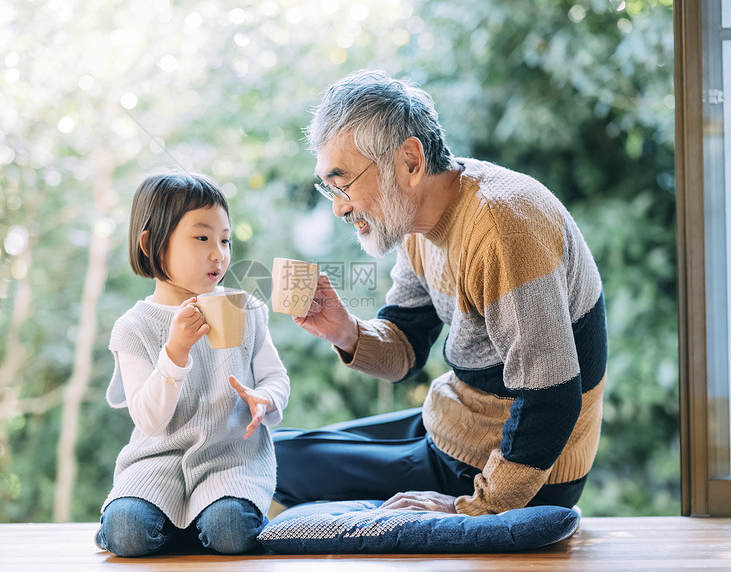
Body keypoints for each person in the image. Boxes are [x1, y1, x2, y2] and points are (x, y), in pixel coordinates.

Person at [272, 70, 606, 516]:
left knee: (272, 463)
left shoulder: (502, 226)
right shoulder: (416, 221)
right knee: (268, 451)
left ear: (409, 160)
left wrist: (469, 508)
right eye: (328, 187)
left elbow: (552, 398)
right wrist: (346, 331)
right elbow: (405, 348)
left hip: (512, 467)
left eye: (344, 182)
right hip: (457, 425)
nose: (338, 206)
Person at [96, 171, 290, 556]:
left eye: (225, 239)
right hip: (156, 464)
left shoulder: (246, 309)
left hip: (230, 463)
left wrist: (264, 398)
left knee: (231, 530)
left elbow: (275, 377)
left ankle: (199, 525)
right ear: (151, 244)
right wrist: (175, 351)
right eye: (202, 238)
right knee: (127, 532)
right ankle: (182, 525)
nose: (219, 253)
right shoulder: (133, 328)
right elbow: (149, 420)